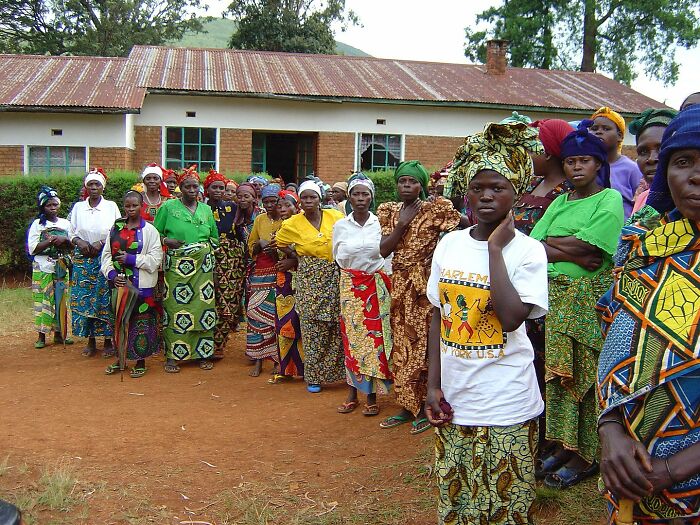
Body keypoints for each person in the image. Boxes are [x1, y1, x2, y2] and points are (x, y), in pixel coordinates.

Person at [424, 121, 549, 525]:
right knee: (458, 503)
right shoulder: (450, 244)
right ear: (466, 192)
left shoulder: (528, 251)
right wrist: (432, 385)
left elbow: (513, 319)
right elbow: (437, 315)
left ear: (517, 191)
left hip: (507, 401)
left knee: (507, 507)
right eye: (478, 187)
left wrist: (496, 250)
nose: (487, 196)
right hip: (457, 399)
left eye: (498, 187)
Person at [597, 106, 700, 525]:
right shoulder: (642, 245)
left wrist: (673, 470)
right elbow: (614, 341)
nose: (695, 175)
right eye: (683, 162)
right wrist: (610, 429)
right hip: (629, 463)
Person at [530, 121, 625, 488]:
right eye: (570, 162)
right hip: (557, 299)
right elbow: (533, 242)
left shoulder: (610, 200)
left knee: (584, 377)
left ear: (599, 164)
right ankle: (563, 444)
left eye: (584, 160)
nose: (576, 168)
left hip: (587, 304)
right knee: (558, 376)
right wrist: (567, 243)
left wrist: (556, 243)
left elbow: (593, 251)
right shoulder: (559, 201)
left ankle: (585, 455)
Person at [377, 160, 464, 435]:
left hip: (425, 285)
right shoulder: (390, 211)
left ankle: (429, 403)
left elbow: (462, 226)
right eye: (402, 181)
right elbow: (383, 250)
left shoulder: (435, 209)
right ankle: (406, 404)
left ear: (422, 184)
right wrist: (402, 225)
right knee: (402, 342)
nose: (406, 186)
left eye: (412, 181)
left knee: (426, 343)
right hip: (400, 286)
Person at [275, 180, 345, 393]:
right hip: (309, 277)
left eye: (312, 197)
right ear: (299, 201)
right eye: (304, 197)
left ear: (320, 198)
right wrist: (295, 257)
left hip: (334, 275)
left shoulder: (336, 217)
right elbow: (280, 242)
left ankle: (338, 373)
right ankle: (314, 377)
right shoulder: (292, 223)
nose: (308, 201)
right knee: (311, 326)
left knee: (334, 323)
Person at [333, 174, 393, 416]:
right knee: (351, 338)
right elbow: (336, 256)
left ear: (371, 197)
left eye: (364, 194)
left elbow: (387, 257)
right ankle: (352, 392)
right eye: (356, 194)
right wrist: (353, 279)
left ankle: (370, 394)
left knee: (375, 340)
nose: (360, 198)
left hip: (376, 286)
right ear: (349, 197)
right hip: (350, 286)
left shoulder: (380, 224)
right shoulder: (340, 225)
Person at [153, 168, 219, 373]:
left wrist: (207, 256)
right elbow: (154, 234)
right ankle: (173, 356)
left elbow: (214, 238)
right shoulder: (168, 208)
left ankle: (203, 353)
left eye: (195, 186)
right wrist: (166, 241)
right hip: (177, 268)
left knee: (203, 308)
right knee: (175, 307)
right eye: (187, 186)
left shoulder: (206, 210)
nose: (192, 190)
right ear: (179, 188)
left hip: (203, 268)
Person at [101, 191, 163, 378]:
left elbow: (156, 259)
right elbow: (105, 256)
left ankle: (140, 360)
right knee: (120, 322)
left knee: (141, 323)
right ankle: (120, 359)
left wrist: (132, 259)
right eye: (127, 206)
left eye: (134, 205)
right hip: (119, 286)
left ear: (141, 205)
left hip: (142, 287)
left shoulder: (150, 231)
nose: (130, 209)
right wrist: (112, 275)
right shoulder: (115, 230)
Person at [69, 169, 121, 357]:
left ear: (102, 187)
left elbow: (117, 228)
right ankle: (90, 341)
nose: (93, 188)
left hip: (103, 255)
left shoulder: (111, 206)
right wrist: (80, 242)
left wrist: (101, 243)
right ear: (86, 187)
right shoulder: (78, 208)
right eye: (90, 184)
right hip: (83, 258)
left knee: (104, 298)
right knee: (83, 299)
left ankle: (108, 341)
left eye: (97, 184)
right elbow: (71, 230)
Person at [27, 186, 73, 349]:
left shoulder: (65, 223)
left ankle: (61, 334)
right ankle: (41, 336)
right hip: (42, 267)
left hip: (60, 266)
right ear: (42, 207)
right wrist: (50, 240)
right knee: (43, 300)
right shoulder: (37, 225)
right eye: (49, 205)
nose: (53, 208)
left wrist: (65, 241)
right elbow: (32, 248)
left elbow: (72, 243)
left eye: (55, 205)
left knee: (61, 299)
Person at [204, 169, 242, 359]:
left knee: (228, 300)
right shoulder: (201, 209)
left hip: (231, 260)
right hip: (206, 256)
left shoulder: (233, 208)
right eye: (215, 187)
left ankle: (218, 344)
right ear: (207, 190)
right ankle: (203, 343)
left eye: (222, 187)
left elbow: (241, 233)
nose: (219, 191)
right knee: (207, 299)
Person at [513, 119, 574, 236]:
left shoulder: (570, 193)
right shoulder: (531, 183)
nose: (527, 157)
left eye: (531, 151)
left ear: (547, 154)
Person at [246, 184, 283, 377]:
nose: (269, 205)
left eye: (273, 201)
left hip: (279, 271)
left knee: (277, 317)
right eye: (266, 201)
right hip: (260, 271)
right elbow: (251, 244)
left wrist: (276, 248)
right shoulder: (259, 219)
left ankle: (277, 360)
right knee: (256, 315)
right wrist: (260, 245)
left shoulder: (286, 220)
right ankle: (258, 360)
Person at [270, 190, 305, 384]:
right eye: (280, 205)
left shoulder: (303, 226)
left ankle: (305, 368)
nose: (283, 209)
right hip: (284, 282)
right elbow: (276, 257)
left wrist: (292, 260)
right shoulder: (279, 228)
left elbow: (310, 253)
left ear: (296, 206)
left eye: (288, 205)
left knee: (301, 323)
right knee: (284, 324)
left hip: (303, 280)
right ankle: (287, 368)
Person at [589, 106, 644, 220]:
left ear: (619, 136)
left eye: (606, 129)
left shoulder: (631, 169)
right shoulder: (586, 167)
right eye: (594, 128)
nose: (599, 132)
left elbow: (640, 204)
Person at [628, 109, 678, 214]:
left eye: (661, 148)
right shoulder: (643, 199)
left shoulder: (692, 204)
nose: (651, 159)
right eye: (643, 151)